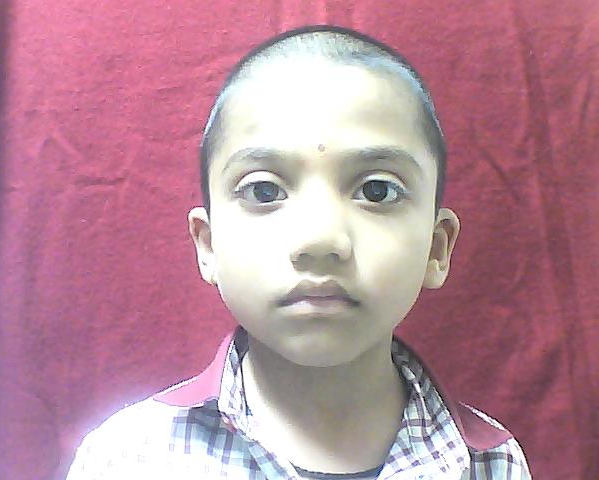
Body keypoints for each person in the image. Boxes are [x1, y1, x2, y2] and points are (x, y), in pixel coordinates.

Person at [66, 25, 531, 479]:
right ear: (208, 245)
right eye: (264, 191)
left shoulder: (492, 465)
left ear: (436, 247)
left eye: (377, 190)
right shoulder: (129, 460)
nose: (319, 240)